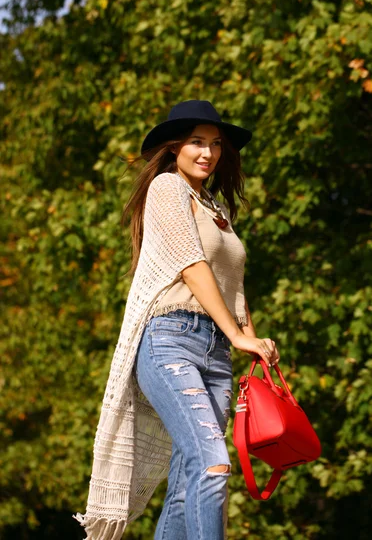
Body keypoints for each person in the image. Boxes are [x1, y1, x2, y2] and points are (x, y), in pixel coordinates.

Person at [73, 100, 280, 540]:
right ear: (174, 148)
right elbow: (191, 265)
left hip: (217, 355)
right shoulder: (167, 188)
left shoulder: (215, 207)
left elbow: (233, 287)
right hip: (171, 341)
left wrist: (250, 337)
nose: (207, 153)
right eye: (196, 142)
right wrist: (237, 335)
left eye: (215, 144)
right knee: (213, 463)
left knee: (189, 482)